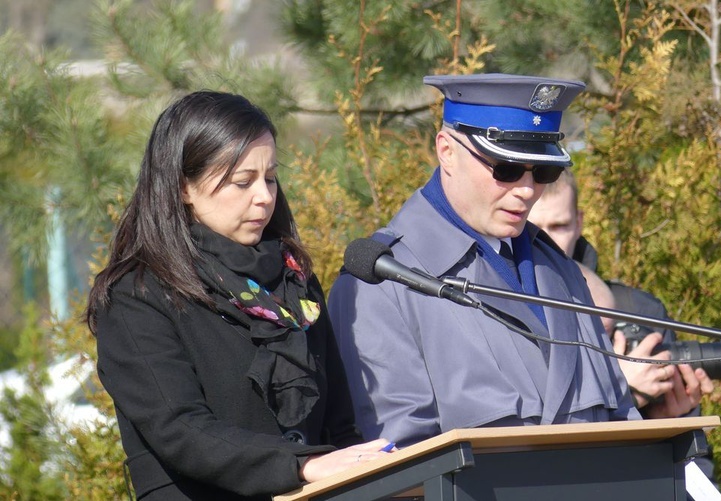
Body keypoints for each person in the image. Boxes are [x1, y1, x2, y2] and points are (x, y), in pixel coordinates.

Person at [85, 91, 393, 500]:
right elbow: (181, 430)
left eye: (270, 177)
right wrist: (301, 465)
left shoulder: (295, 283)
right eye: (242, 181)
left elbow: (339, 426)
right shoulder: (136, 296)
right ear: (183, 187)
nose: (264, 196)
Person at [328, 73, 640, 448]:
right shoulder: (382, 283)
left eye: (543, 171)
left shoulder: (559, 269)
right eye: (505, 169)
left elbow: (622, 422)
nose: (527, 190)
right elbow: (399, 465)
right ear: (447, 151)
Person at [527, 168, 714, 417]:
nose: (546, 241)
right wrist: (619, 390)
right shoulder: (499, 306)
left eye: (559, 226)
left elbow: (689, 450)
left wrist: (666, 421)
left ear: (579, 223)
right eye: (534, 230)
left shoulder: (640, 310)